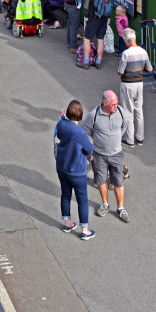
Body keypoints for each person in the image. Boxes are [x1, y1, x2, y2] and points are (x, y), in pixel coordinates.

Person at [82, 91, 131, 223]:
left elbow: (124, 126)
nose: (116, 106)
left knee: (118, 181)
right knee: (101, 180)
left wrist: (115, 139)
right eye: (113, 104)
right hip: (99, 155)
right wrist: (98, 140)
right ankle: (105, 204)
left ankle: (120, 208)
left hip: (116, 154)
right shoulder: (94, 115)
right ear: (105, 103)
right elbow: (86, 129)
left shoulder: (120, 111)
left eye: (116, 103)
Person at [54, 100, 97, 241]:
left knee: (65, 194)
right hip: (77, 171)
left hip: (62, 167)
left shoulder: (61, 124)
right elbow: (89, 149)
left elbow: (58, 134)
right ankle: (85, 230)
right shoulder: (79, 132)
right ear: (80, 114)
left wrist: (61, 117)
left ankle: (68, 223)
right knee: (82, 200)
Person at [118, 28, 154, 147]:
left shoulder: (126, 53)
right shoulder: (143, 52)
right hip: (139, 84)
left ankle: (129, 140)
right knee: (139, 111)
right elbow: (149, 69)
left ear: (128, 41)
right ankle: (140, 138)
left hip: (127, 84)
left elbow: (120, 71)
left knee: (128, 112)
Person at [81, 0, 109, 68]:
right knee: (100, 39)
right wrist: (108, 17)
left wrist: (86, 16)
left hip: (93, 17)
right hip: (104, 17)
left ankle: (85, 62)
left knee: (87, 38)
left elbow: (86, 5)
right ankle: (98, 62)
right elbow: (108, 4)